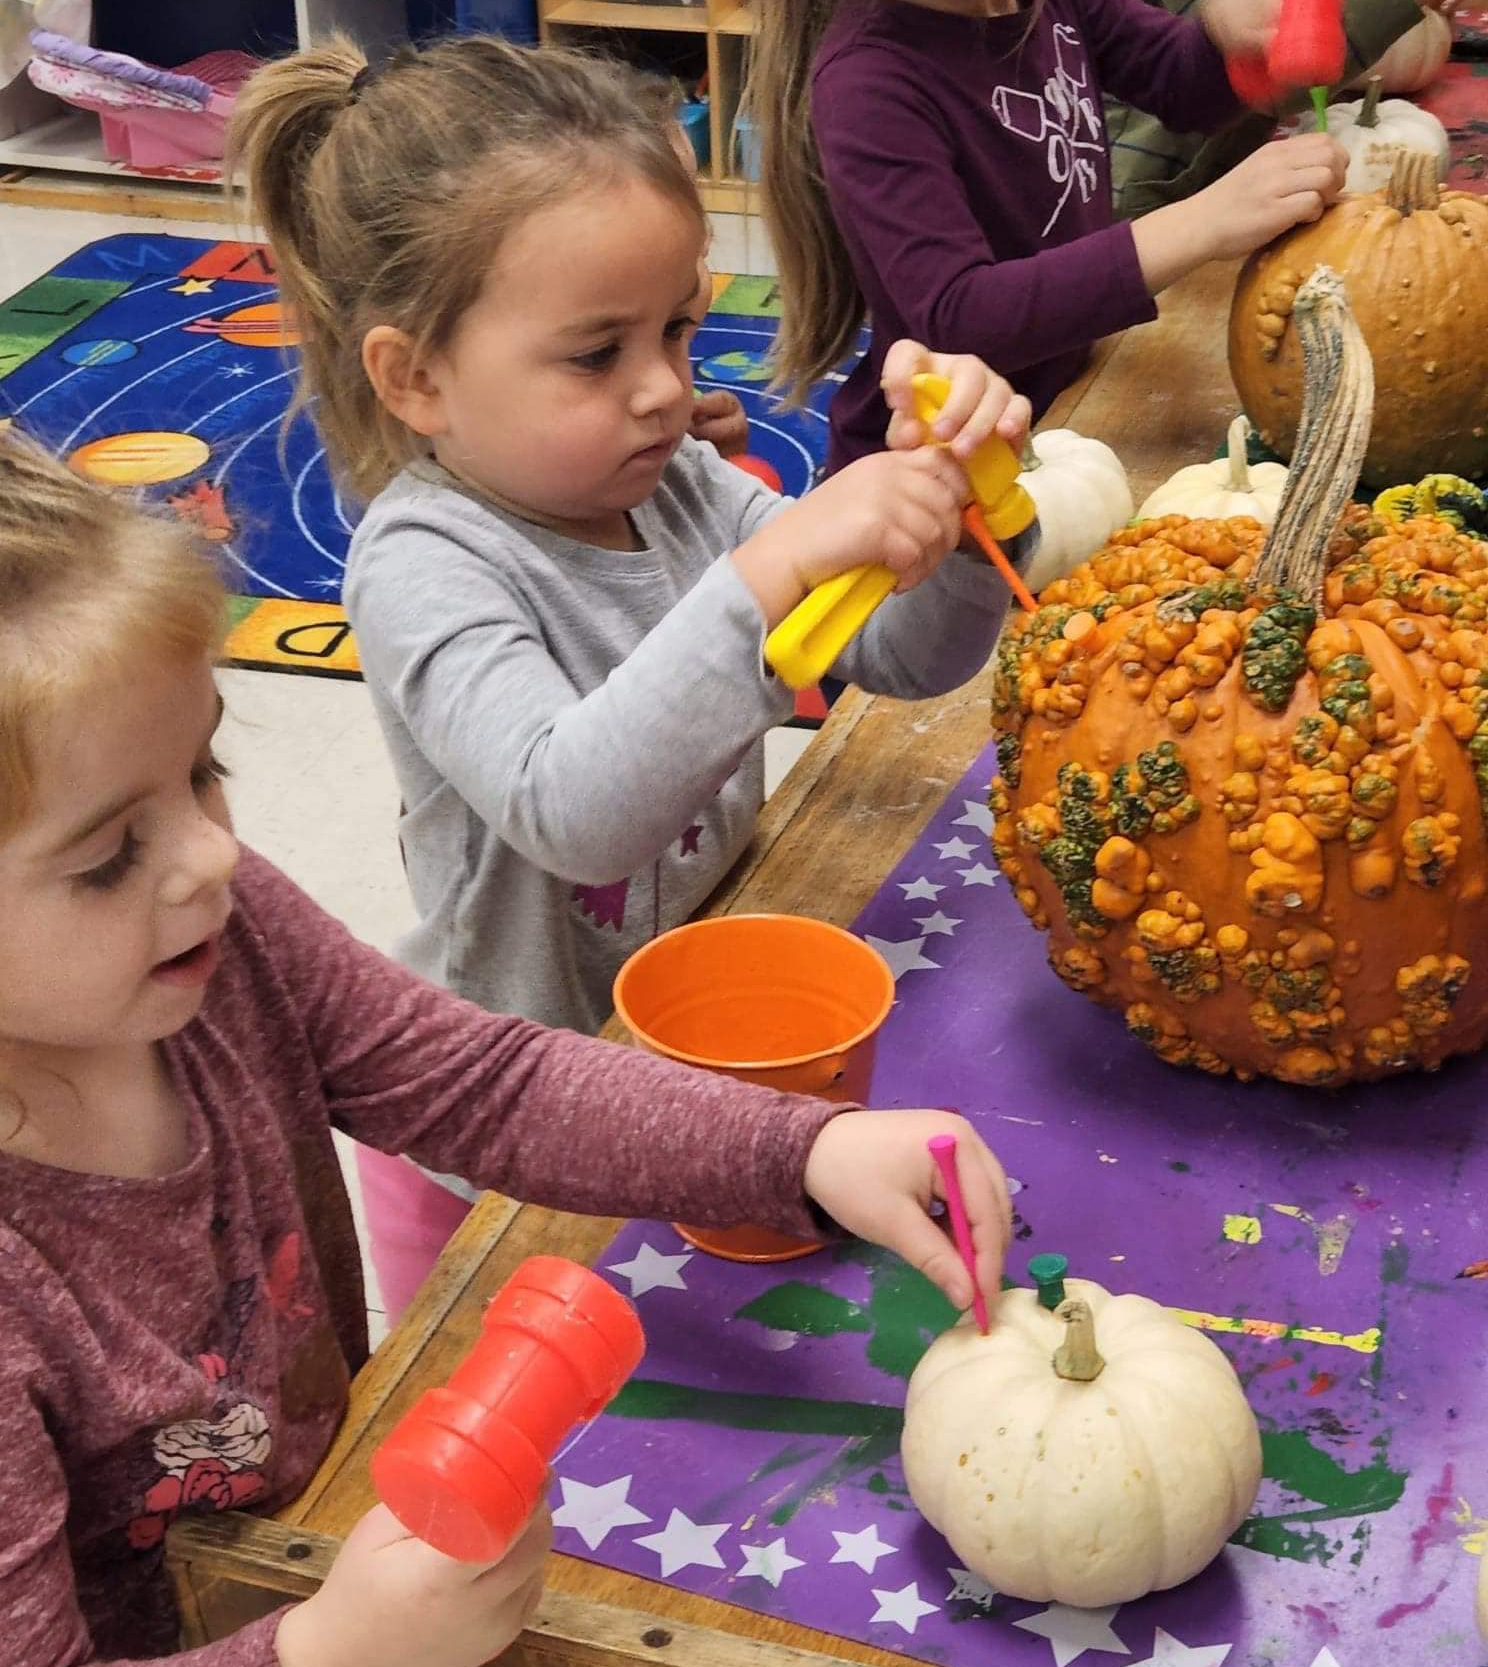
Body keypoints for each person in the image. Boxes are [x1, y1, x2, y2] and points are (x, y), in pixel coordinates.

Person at [0, 424, 1013, 1666]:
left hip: (319, 1552)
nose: (213, 853)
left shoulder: (219, 932)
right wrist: (324, 1653)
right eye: (109, 854)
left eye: (204, 766)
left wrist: (806, 1147)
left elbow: (486, 1081)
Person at [226, 33, 1034, 1320]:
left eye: (680, 329)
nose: (666, 390)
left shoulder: (678, 491)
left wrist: (966, 510)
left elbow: (902, 658)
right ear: (417, 375)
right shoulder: (424, 562)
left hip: (701, 1081)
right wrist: (766, 574)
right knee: (523, 1460)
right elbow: (576, 805)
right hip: (510, 1139)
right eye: (598, 354)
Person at [751, 0, 1348, 474]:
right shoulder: (865, 81)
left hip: (1061, 411)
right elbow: (960, 315)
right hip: (940, 467)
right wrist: (1202, 221)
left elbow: (1177, 82)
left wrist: (1224, 34)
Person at [1107, 0, 1457, 219]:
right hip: (1133, 207)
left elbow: (1187, 78)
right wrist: (1204, 225)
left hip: (1203, 203)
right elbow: (1287, 72)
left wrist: (1225, 38)